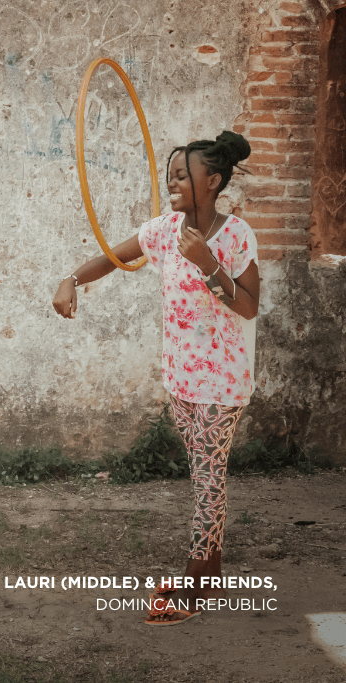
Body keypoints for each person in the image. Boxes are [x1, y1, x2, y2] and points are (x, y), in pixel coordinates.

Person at [51, 131, 258, 625]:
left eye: (183, 175)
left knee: (209, 482)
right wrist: (71, 279)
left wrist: (208, 265)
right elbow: (112, 257)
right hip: (180, 377)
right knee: (202, 479)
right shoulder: (163, 231)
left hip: (222, 381)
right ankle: (210, 571)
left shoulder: (236, 236)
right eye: (171, 175)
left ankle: (195, 582)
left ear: (212, 181)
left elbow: (248, 307)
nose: (173, 181)